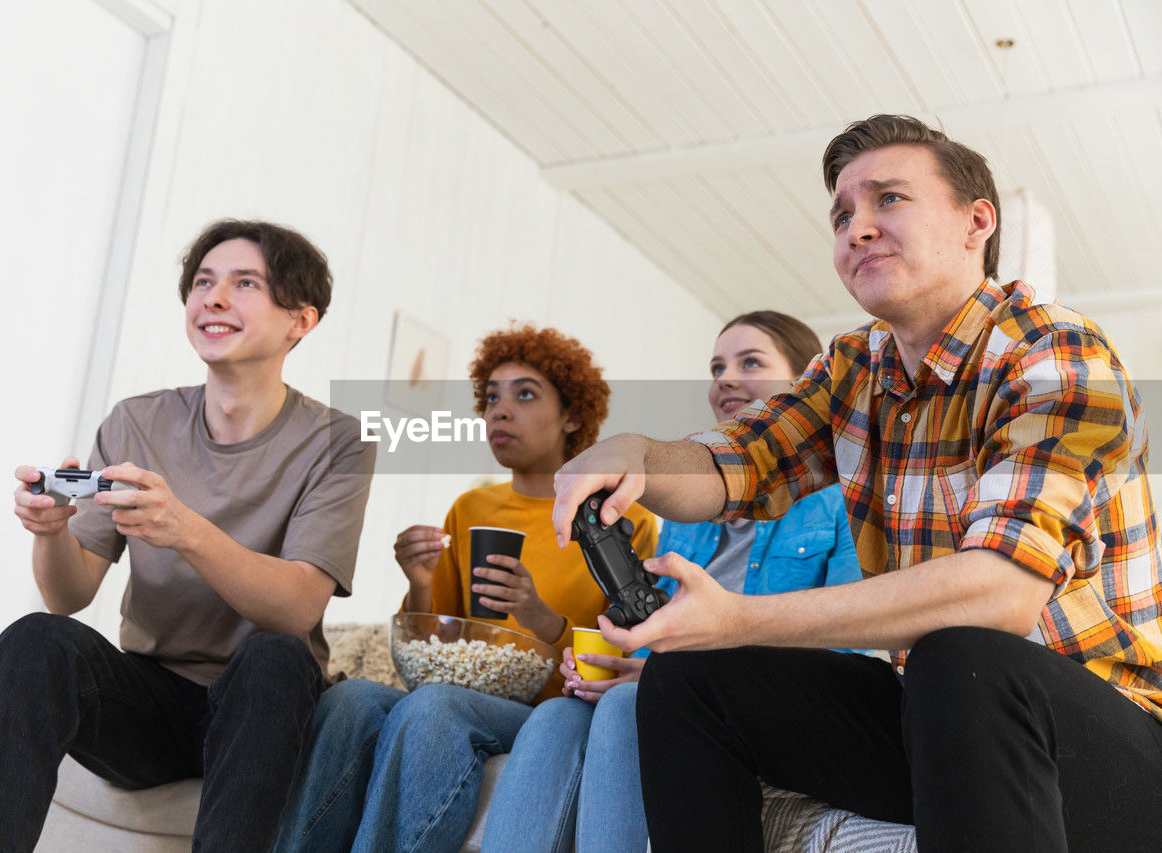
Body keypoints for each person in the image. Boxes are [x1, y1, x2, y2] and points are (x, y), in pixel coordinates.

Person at [552, 114, 1162, 851]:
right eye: (843, 214)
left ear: (977, 222)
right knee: (686, 682)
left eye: (889, 200)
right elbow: (735, 463)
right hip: (938, 724)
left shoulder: (1055, 352)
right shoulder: (854, 368)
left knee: (958, 651)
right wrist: (636, 454)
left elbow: (1003, 590)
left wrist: (739, 620)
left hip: (1104, 743)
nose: (858, 227)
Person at [0, 220, 376, 852]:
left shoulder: (338, 442)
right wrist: (50, 531)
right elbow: (69, 595)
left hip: (263, 706)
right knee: (36, 639)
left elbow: (299, 607)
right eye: (203, 282)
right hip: (151, 700)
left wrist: (186, 530)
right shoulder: (137, 421)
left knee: (275, 657)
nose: (214, 298)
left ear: (300, 321)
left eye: (244, 283)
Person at [481, 312, 861, 853]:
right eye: (716, 367)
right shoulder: (684, 519)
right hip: (675, 690)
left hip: (773, 704)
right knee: (556, 716)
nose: (725, 378)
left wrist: (660, 674)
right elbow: (655, 627)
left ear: (806, 384)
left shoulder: (846, 504)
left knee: (627, 706)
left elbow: (856, 648)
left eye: (750, 362)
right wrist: (616, 662)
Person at [275, 324, 657, 853]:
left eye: (525, 394)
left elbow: (621, 658)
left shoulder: (621, 519)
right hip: (464, 694)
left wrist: (535, 612)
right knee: (350, 700)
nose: (500, 410)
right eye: (491, 397)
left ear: (572, 415)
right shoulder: (471, 510)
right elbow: (440, 647)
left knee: (435, 708)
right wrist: (422, 582)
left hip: (553, 709)